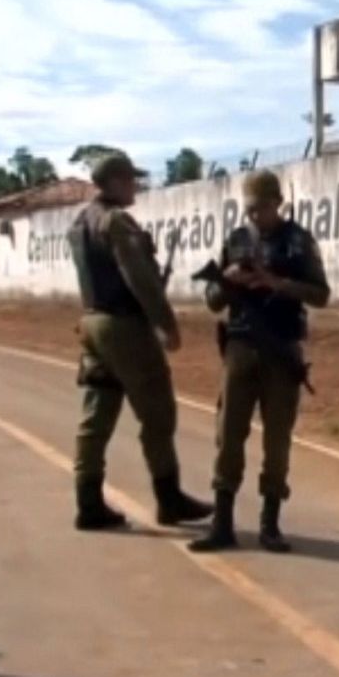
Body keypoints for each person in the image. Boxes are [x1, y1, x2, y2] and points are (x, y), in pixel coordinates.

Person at [67, 154, 213, 531]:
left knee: (96, 416)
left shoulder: (80, 223)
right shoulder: (115, 221)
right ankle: (169, 499)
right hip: (124, 326)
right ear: (114, 181)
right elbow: (139, 278)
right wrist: (166, 323)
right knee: (158, 413)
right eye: (131, 179)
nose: (136, 185)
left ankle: (88, 502)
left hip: (92, 322)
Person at [189, 170, 330, 553]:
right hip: (239, 346)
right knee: (228, 434)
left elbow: (321, 295)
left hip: (280, 350)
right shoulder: (236, 241)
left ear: (277, 203)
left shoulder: (298, 242)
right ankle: (222, 523)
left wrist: (276, 283)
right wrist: (229, 281)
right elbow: (212, 300)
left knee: (277, 438)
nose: (255, 216)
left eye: (263, 208)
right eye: (250, 209)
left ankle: (270, 523)